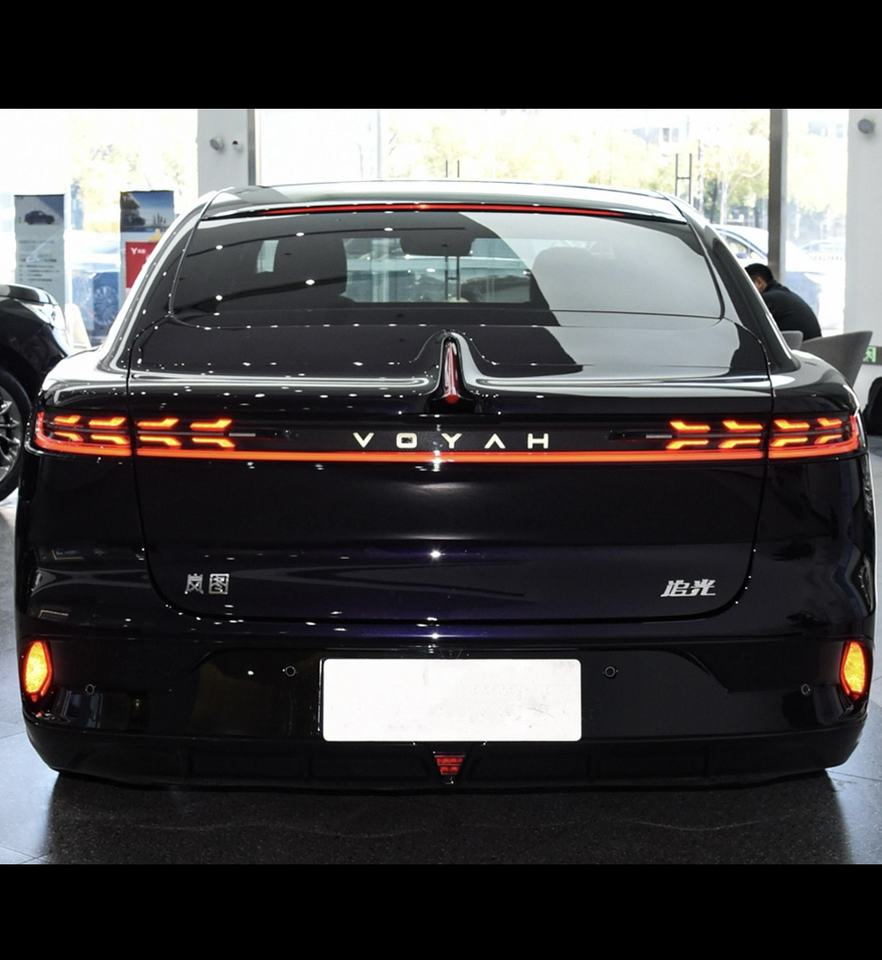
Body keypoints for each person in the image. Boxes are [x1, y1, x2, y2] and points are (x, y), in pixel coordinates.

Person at [745, 263, 822, 341]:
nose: (745, 293)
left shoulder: (768, 299)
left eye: (746, 286)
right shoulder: (782, 294)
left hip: (799, 346)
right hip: (812, 346)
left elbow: (749, 326)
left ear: (759, 282)